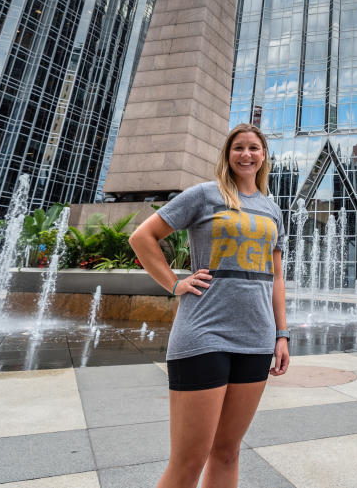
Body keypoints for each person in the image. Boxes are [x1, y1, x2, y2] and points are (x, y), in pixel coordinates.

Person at [128, 123, 289, 488]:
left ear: (264, 156)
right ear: (227, 155)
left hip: (256, 337)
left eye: (254, 148)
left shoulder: (272, 210)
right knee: (188, 461)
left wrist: (282, 334)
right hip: (203, 334)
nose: (246, 154)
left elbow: (277, 277)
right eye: (238, 148)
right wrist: (174, 283)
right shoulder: (204, 195)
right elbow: (142, 237)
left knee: (227, 452)